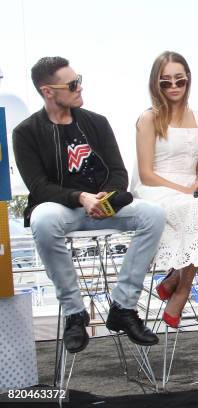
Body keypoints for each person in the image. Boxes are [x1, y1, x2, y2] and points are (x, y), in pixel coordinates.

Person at [12, 57, 165, 353]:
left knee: (153, 215)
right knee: (42, 220)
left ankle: (123, 306)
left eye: (78, 79)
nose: (80, 87)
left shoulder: (96, 122)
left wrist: (104, 199)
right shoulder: (26, 132)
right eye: (72, 84)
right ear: (48, 92)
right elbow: (40, 187)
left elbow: (118, 173)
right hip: (63, 209)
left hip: (104, 207)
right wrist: (80, 198)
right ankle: (74, 313)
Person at [132, 51, 198, 328]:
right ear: (156, 84)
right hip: (157, 188)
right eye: (165, 82)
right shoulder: (148, 119)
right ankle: (183, 289)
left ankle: (176, 277)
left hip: (190, 188)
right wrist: (185, 188)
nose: (173, 87)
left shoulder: (197, 116)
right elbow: (146, 174)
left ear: (188, 80)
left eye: (179, 81)